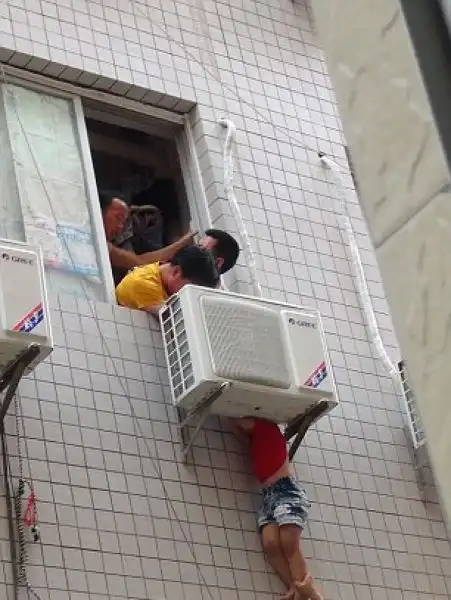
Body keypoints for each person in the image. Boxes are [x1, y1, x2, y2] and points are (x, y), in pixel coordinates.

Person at [232, 417, 323, 600]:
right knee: (271, 544)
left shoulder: (267, 428)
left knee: (289, 542)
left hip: (285, 491)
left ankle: (308, 588)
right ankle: (294, 587)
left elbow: (241, 423)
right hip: (268, 496)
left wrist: (227, 412)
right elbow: (240, 432)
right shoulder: (257, 438)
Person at [99, 193, 195, 273]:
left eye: (123, 223)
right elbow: (140, 262)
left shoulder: (106, 245)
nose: (120, 227)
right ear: (99, 212)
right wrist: (185, 241)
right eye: (118, 217)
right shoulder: (98, 242)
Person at [116, 245, 219, 314]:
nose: (191, 296)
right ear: (176, 272)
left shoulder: (162, 270)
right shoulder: (144, 283)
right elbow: (175, 318)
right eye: (191, 289)